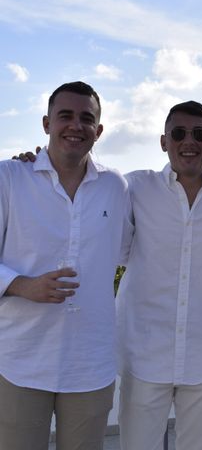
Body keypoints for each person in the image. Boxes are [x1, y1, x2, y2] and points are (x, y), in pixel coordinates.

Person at [0, 82, 128, 450]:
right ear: (46, 123)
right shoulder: (10, 178)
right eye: (65, 116)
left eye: (86, 118)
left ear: (99, 131)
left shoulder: (115, 187)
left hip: (91, 364)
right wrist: (23, 285)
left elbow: (128, 249)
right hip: (20, 361)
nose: (76, 125)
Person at [116, 101, 202, 450]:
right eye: (179, 133)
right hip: (144, 355)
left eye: (200, 134)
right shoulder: (134, 188)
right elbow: (118, 246)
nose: (190, 141)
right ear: (163, 141)